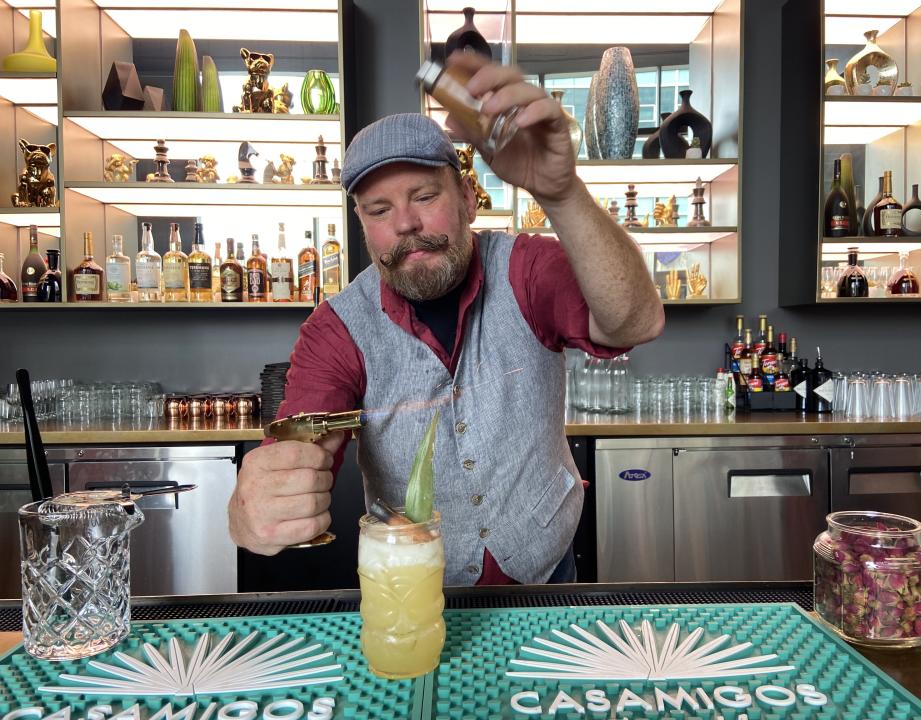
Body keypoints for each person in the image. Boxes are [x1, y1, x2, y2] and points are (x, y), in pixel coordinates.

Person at [228, 54, 664, 586]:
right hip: (416, 591)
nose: (406, 223)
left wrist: (561, 192)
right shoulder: (336, 329)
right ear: (363, 224)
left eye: (424, 196)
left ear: (467, 200)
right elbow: (298, 451)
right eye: (379, 210)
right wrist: (257, 509)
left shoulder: (525, 268)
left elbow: (635, 323)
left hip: (548, 572)